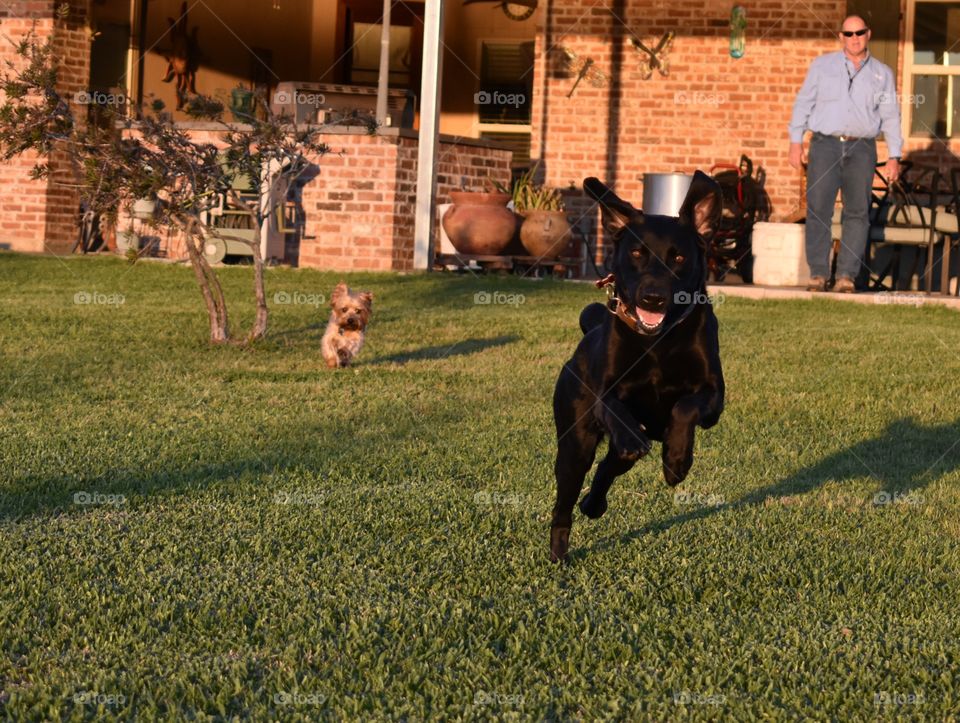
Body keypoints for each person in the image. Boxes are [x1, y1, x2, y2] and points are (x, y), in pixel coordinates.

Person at [788, 15, 903, 293]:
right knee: (818, 209)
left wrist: (894, 155)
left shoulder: (882, 73)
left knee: (857, 212)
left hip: (861, 148)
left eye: (859, 33)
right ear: (841, 36)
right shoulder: (822, 66)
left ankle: (846, 277)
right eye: (849, 34)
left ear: (868, 34)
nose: (854, 39)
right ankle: (818, 274)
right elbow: (803, 103)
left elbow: (891, 116)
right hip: (824, 145)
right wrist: (795, 141)